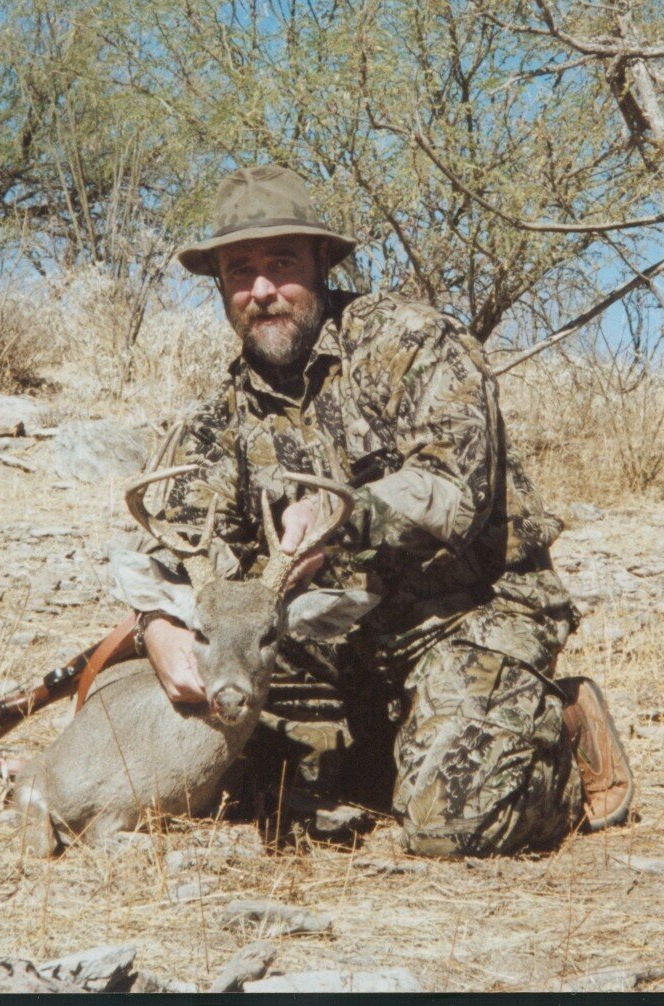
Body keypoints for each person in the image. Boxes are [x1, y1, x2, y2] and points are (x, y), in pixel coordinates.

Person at [130, 164, 632, 857]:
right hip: (323, 644)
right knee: (197, 774)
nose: (262, 291)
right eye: (240, 272)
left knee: (449, 826)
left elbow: (455, 492)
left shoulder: (412, 345)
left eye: (282, 264)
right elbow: (178, 548)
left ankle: (563, 729)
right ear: (220, 286)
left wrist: (347, 516)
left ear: (324, 264)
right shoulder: (221, 417)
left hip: (463, 616)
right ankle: (388, 750)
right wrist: (157, 624)